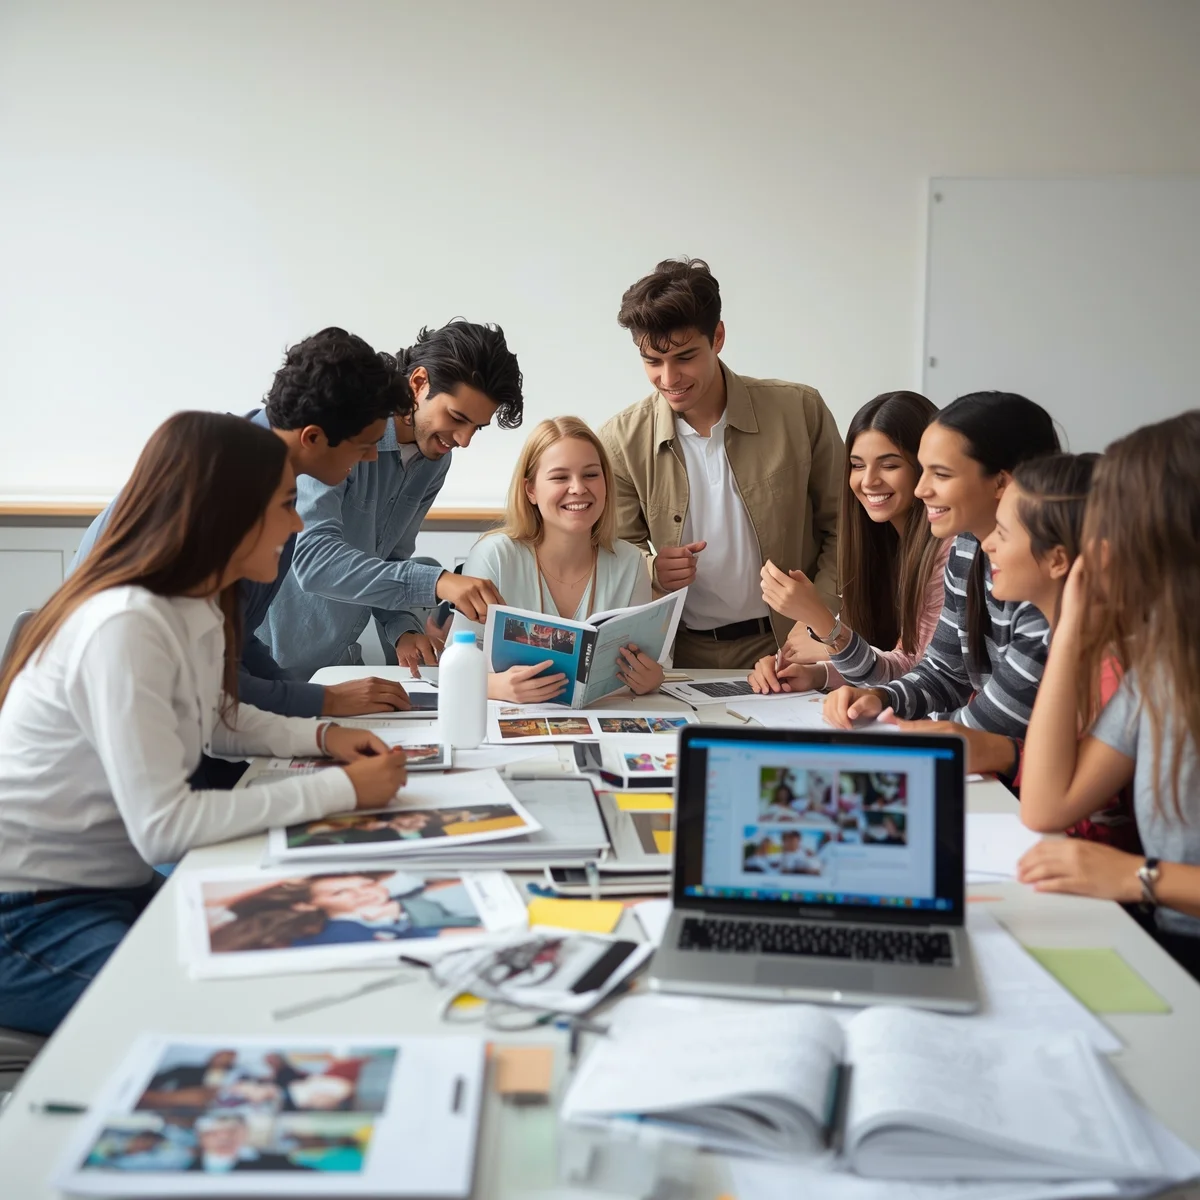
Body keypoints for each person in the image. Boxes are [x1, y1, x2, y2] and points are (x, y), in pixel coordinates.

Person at [0, 413, 409, 1035]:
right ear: (227, 513)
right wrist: (343, 790)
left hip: (105, 890)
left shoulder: (193, 606)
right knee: (216, 1018)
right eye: (283, 505)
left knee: (287, 958)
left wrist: (323, 737)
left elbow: (218, 721)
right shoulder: (127, 623)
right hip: (28, 916)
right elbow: (166, 828)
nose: (297, 525)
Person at [70, 329, 416, 742]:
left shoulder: (275, 489)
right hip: (119, 716)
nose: (374, 458)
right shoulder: (223, 485)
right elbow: (213, 678)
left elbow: (232, 639)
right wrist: (322, 702)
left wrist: (313, 701)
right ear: (313, 438)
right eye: (365, 445)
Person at [1017, 413, 1200, 979]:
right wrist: (1070, 627)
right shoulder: (1161, 666)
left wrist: (1135, 876)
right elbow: (1046, 805)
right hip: (1168, 939)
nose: (1096, 544)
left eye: (1110, 520)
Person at [598, 258, 844, 670]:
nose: (669, 378)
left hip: (789, 643)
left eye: (685, 357)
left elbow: (843, 527)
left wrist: (817, 615)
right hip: (679, 653)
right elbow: (617, 551)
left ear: (718, 337)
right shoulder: (620, 441)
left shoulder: (800, 410)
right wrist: (653, 568)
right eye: (652, 362)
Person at [263, 320, 525, 679]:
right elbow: (313, 561)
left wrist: (403, 629)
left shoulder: (435, 460)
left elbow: (389, 559)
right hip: (264, 665)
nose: (464, 440)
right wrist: (437, 582)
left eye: (476, 428)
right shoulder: (342, 429)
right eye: (457, 418)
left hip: (336, 666)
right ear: (418, 383)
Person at [823, 392, 1061, 777]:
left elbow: (993, 723)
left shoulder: (1045, 576)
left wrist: (897, 730)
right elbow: (943, 672)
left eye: (941, 474)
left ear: (1003, 482)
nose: (920, 490)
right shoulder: (967, 547)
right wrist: (881, 698)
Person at [748, 391, 950, 694]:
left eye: (889, 465)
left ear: (925, 469)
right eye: (857, 465)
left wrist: (824, 626)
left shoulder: (947, 550)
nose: (868, 481)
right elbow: (887, 667)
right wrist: (815, 675)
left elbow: (915, 671)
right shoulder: (876, 546)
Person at [463, 416, 659, 702]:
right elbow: (453, 666)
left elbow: (645, 664)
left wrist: (651, 678)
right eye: (559, 477)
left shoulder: (630, 561)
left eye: (591, 474)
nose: (578, 488)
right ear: (530, 490)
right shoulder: (494, 556)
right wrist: (496, 687)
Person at [210, 872, 480, 951]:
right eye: (340, 892)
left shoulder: (398, 892)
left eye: (365, 883)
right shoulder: (337, 930)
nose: (363, 892)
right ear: (307, 905)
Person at [188, 1113, 309, 1173]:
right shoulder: (185, 1169)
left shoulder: (276, 1164)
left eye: (231, 1131)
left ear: (244, 1133)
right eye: (213, 1133)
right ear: (200, 1138)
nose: (224, 1139)